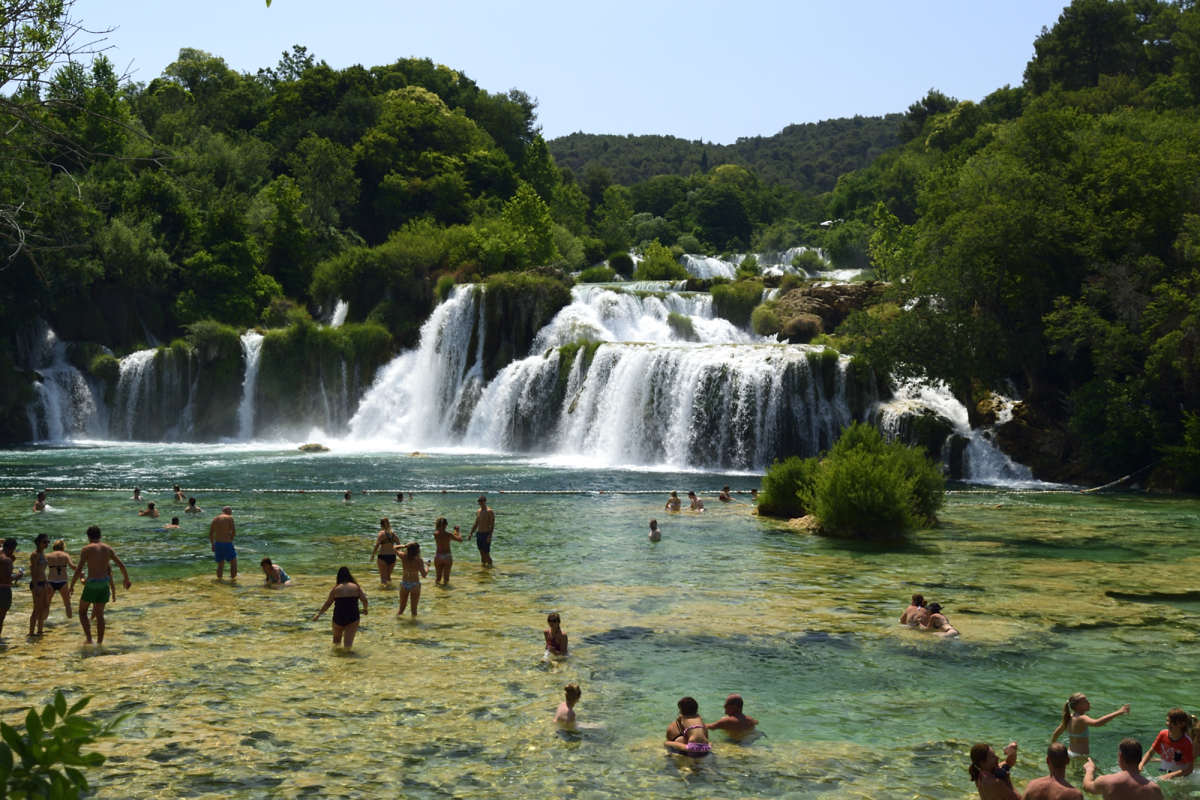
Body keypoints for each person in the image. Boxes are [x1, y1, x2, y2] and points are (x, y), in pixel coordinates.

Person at [69, 526, 131, 645]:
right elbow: (121, 565)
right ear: (100, 536)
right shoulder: (107, 548)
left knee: (82, 612)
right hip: (104, 583)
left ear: (88, 537)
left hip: (92, 583)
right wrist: (126, 579)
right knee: (100, 615)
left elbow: (79, 570)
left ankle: (89, 639)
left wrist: (71, 586)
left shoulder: (86, 549)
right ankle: (100, 642)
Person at [1051, 694, 1131, 758]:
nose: (1089, 703)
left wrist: (1053, 751)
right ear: (1079, 706)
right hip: (1081, 757)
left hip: (1070, 753)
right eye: (1086, 701)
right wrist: (1117, 712)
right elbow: (1097, 723)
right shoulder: (1081, 718)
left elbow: (1055, 734)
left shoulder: (1068, 718)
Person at [1083, 739, 1162, 799]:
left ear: (1120, 756)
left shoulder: (1105, 781)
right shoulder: (1154, 789)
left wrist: (1089, 769)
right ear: (1140, 758)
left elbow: (1087, 786)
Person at [313, 567, 368, 650]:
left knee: (336, 640)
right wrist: (365, 609)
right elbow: (365, 600)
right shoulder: (356, 587)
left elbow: (328, 604)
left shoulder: (335, 589)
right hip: (352, 617)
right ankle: (348, 660)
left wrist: (319, 614)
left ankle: (336, 659)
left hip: (338, 617)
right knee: (348, 643)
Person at [1139, 707, 1196, 780]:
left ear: (1182, 724)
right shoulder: (1162, 734)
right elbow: (1150, 753)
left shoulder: (1187, 742)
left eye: (1172, 722)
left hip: (1181, 777)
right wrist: (1140, 765)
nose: (1168, 724)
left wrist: (1171, 775)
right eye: (1167, 721)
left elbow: (1189, 768)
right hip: (1164, 771)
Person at [28, 533, 51, 636]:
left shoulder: (43, 554)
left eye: (48, 542)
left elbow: (43, 569)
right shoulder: (35, 554)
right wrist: (36, 586)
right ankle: (31, 632)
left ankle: (40, 630)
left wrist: (46, 583)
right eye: (44, 542)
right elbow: (33, 571)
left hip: (43, 582)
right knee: (37, 608)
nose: (46, 544)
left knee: (44, 606)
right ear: (38, 542)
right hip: (37, 583)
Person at [46, 540, 76, 620]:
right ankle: (70, 622)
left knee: (47, 604)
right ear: (63, 547)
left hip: (51, 581)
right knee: (67, 604)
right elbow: (72, 566)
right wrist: (80, 571)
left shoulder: (48, 556)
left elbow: (42, 568)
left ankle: (43, 622)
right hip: (63, 581)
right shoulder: (65, 555)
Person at [397, 542, 428, 617]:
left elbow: (394, 548)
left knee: (401, 609)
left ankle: (396, 621)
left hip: (404, 584)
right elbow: (424, 575)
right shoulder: (419, 560)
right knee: (414, 610)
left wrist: (405, 545)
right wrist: (428, 566)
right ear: (417, 550)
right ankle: (414, 627)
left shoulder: (403, 556)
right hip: (415, 585)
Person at [209, 506, 237, 580]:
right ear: (228, 510)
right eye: (230, 512)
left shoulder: (215, 519)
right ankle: (233, 580)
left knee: (220, 565)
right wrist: (230, 539)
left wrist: (212, 545)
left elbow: (211, 534)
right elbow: (233, 532)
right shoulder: (229, 518)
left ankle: (219, 580)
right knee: (233, 563)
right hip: (227, 543)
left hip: (217, 544)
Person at [370, 518, 400, 585]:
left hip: (382, 557)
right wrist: (399, 554)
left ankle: (384, 593)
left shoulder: (381, 533)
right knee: (388, 577)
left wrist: (373, 555)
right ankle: (390, 590)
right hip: (392, 557)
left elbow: (377, 545)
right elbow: (399, 545)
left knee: (383, 578)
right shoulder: (394, 534)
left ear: (381, 525)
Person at [432, 517, 462, 585]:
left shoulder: (435, 534)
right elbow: (460, 540)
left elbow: (444, 539)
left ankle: (437, 592)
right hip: (447, 556)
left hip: (438, 556)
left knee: (438, 578)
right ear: (445, 525)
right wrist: (457, 531)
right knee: (446, 579)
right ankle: (445, 593)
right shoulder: (448, 534)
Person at [468, 495, 495, 567]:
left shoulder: (489, 511)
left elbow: (492, 525)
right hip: (479, 534)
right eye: (479, 501)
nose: (480, 502)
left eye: (481, 501)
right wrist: (471, 533)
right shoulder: (479, 511)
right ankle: (483, 567)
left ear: (485, 501)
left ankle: (490, 567)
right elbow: (476, 523)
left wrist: (490, 536)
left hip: (486, 534)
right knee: (481, 552)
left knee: (486, 553)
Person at [0, 538, 16, 637]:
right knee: (1, 618)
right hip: (3, 590)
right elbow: (7, 578)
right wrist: (18, 575)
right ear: (12, 548)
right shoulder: (6, 560)